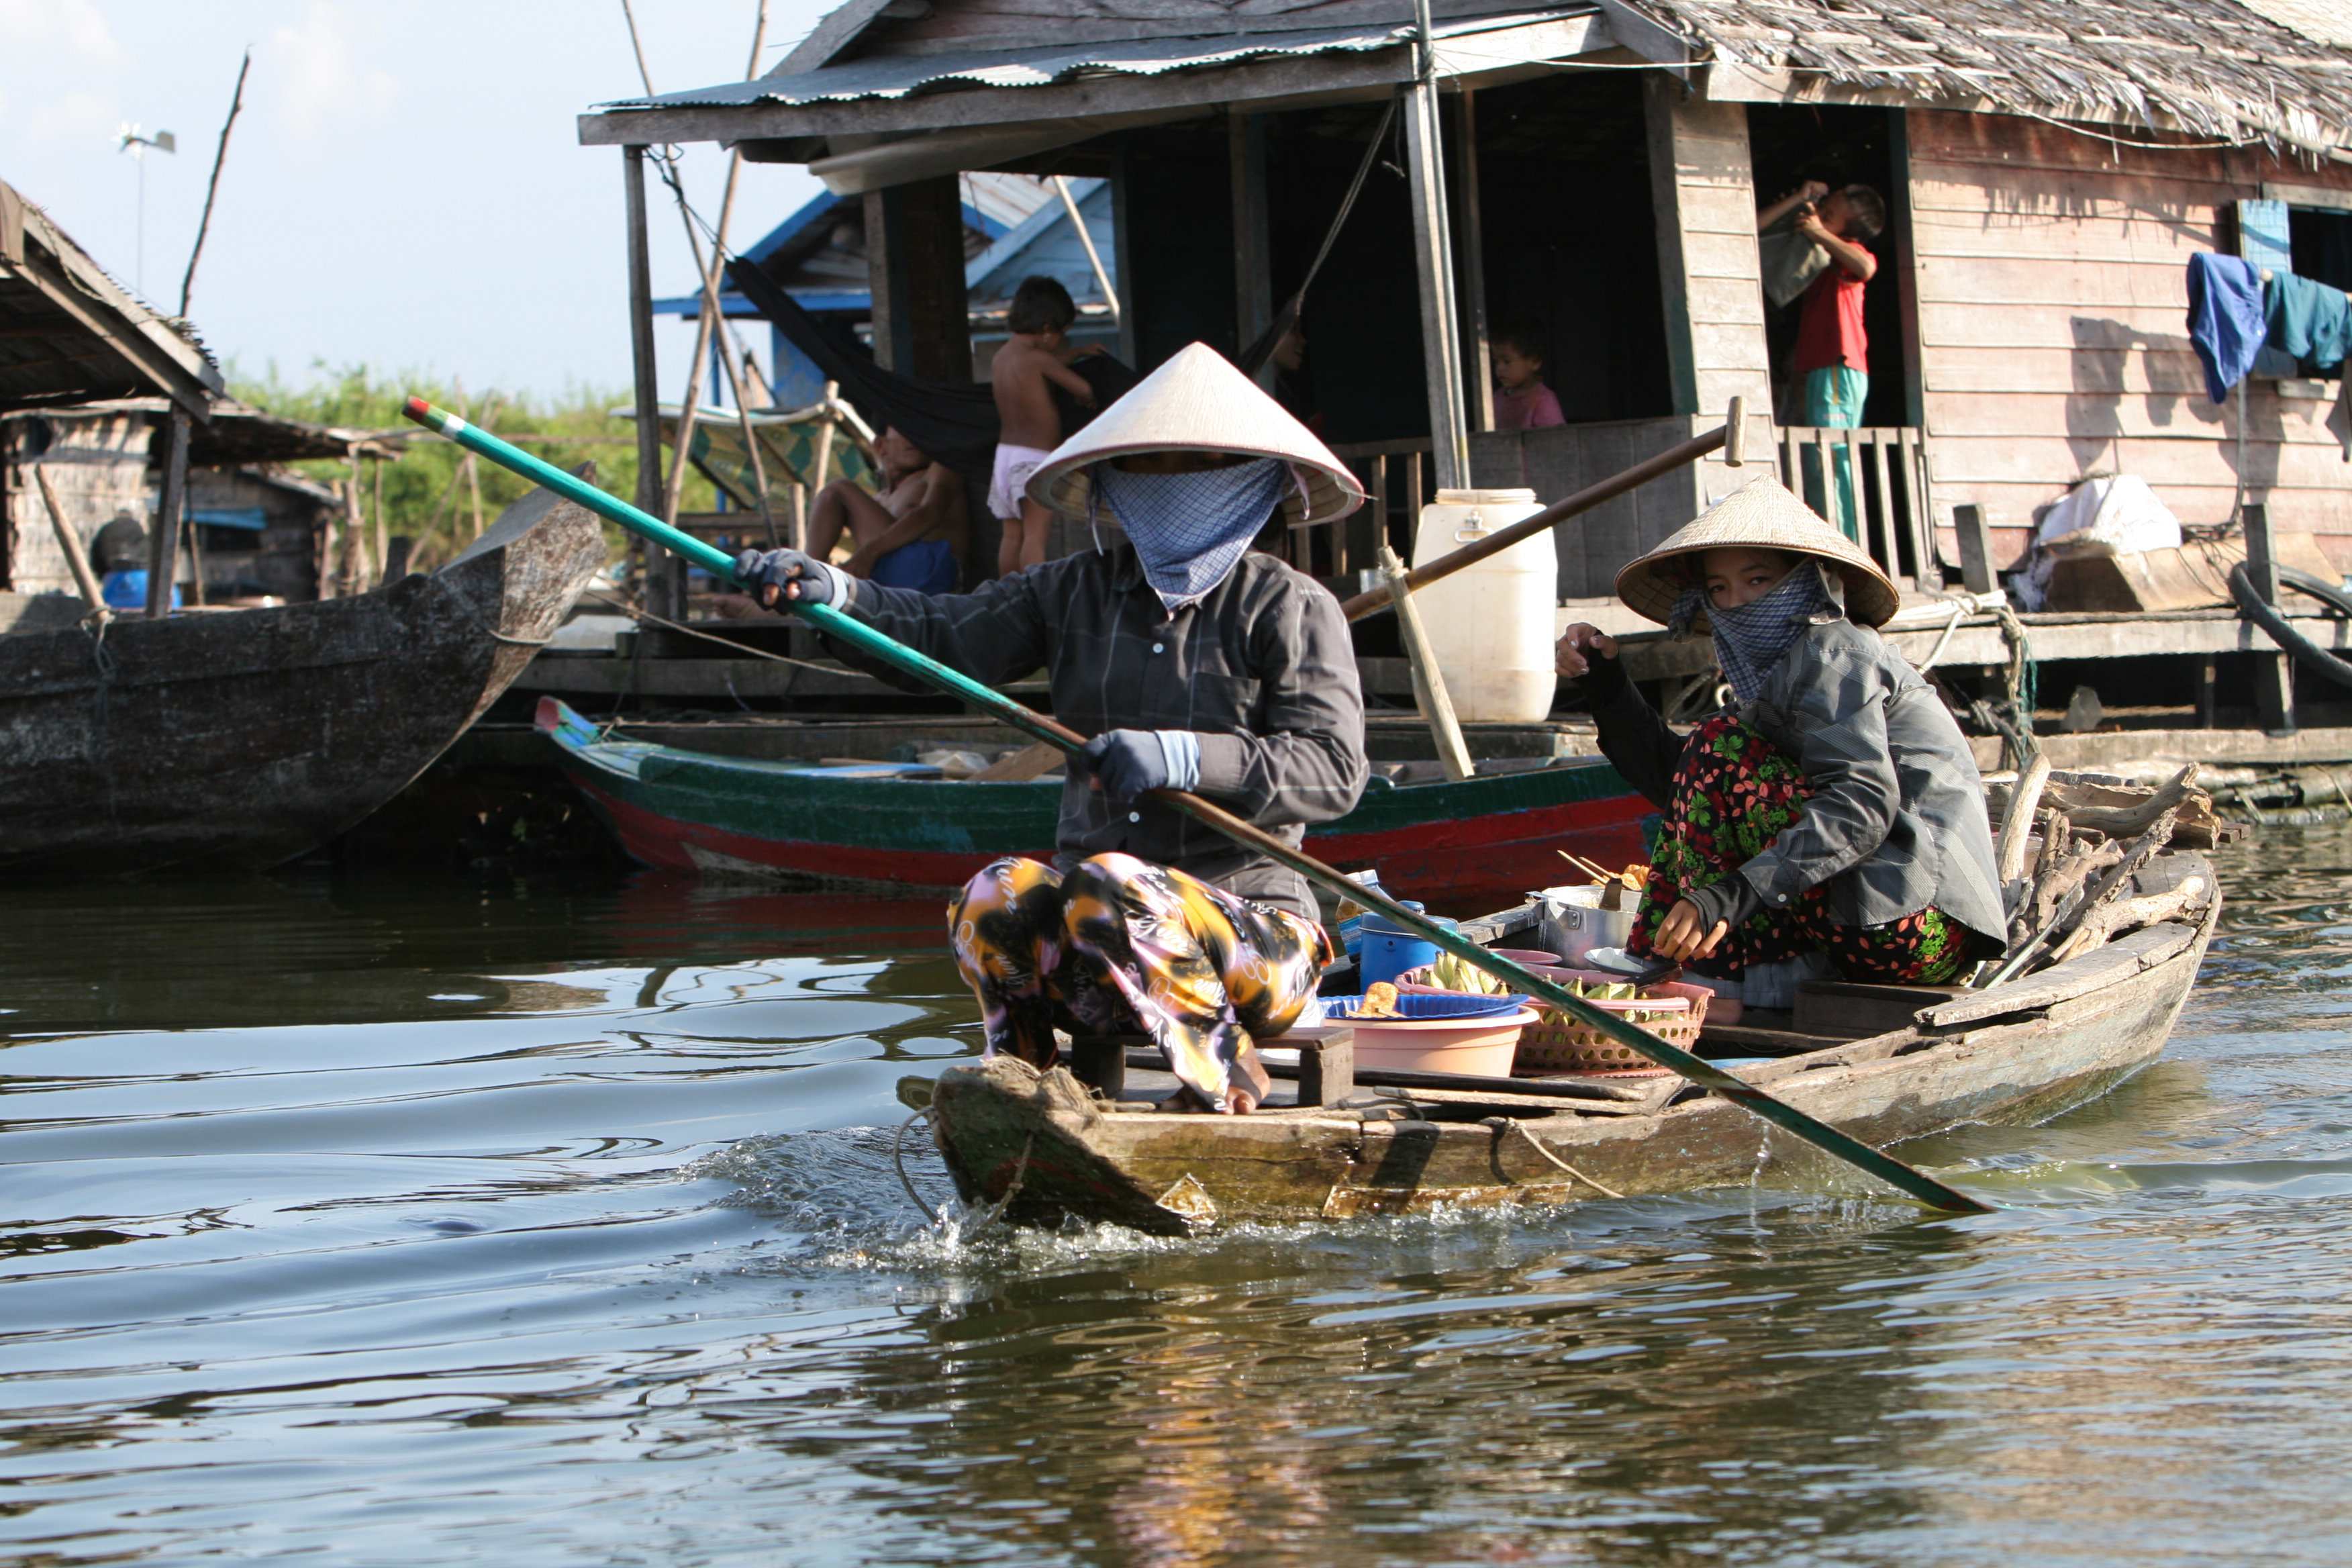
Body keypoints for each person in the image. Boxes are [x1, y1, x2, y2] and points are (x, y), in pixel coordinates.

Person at [736, 344, 1369, 1114]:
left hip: (1255, 949)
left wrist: (1182, 757)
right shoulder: (1071, 590)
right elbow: (945, 634)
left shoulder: (1290, 604)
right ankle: (1027, 1081)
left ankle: (1222, 1076)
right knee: (995, 893)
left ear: (1250, 482)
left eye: (1197, 465)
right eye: (1150, 464)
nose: (1172, 482)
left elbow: (1333, 769)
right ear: (1117, 482)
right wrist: (834, 592)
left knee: (1115, 882)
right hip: (1093, 957)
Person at [1553, 476, 2003, 995]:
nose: (1737, 602)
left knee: (1717, 740)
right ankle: (1726, 977)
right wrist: (1605, 684)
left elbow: (1862, 805)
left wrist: (1725, 898)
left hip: (1919, 923)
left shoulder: (1835, 653)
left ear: (1809, 581)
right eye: (1719, 589)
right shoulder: (1773, 684)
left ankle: (1717, 976)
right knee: (1715, 746)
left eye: (1758, 580)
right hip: (1859, 922)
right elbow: (1686, 790)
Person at [1755, 180, 1885, 541]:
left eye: (1829, 216)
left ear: (1848, 233)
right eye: (1824, 207)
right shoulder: (1817, 259)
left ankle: (1844, 548)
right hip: (1821, 369)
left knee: (1833, 458)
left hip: (1838, 366)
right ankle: (1828, 543)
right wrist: (1799, 201)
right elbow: (1753, 228)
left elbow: (1866, 265)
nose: (1818, 218)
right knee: (1819, 458)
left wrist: (1817, 231)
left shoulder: (1850, 256)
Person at [989, 276, 1101, 579]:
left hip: (1004, 459)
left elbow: (1047, 361)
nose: (1061, 343)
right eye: (1063, 335)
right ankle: (1034, 598)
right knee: (1035, 537)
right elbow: (1083, 388)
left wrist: (1078, 352)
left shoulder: (1002, 358)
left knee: (1011, 537)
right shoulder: (1039, 359)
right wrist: (1087, 400)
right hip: (1033, 460)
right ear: (1049, 328)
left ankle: (1005, 597)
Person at [805, 426, 968, 594]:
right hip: (884, 583)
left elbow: (930, 513)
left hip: (927, 572)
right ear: (881, 445)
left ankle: (808, 575)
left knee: (837, 489)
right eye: (905, 430)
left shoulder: (938, 470)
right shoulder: (876, 501)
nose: (914, 438)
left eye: (919, 431)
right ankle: (811, 580)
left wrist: (868, 554)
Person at [1490, 317, 1563, 431]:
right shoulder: (1496, 398)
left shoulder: (1543, 399)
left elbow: (1555, 442)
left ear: (1534, 362)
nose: (1499, 368)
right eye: (1496, 361)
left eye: (1507, 361)